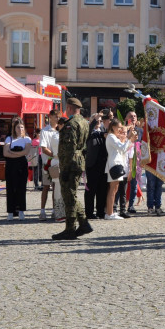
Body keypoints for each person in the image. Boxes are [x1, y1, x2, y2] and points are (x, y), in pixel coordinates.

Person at [53, 97, 90, 240]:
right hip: (79, 161)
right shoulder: (84, 122)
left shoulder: (71, 124)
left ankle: (71, 228)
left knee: (69, 195)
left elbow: (69, 148)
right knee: (71, 194)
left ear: (68, 108)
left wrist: (66, 169)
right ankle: (82, 223)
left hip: (70, 162)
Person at [84, 111, 111, 222]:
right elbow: (89, 131)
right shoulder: (89, 131)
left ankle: (100, 211)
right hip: (92, 165)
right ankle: (89, 212)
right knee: (91, 190)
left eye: (100, 121)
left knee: (102, 190)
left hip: (103, 164)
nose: (98, 122)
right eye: (96, 121)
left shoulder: (104, 131)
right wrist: (95, 119)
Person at [104, 120, 134, 220]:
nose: (120, 129)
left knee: (114, 189)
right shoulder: (111, 137)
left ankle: (110, 212)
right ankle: (109, 213)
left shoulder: (113, 137)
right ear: (113, 127)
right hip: (114, 164)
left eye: (121, 127)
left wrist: (128, 140)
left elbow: (124, 149)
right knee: (113, 190)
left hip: (116, 164)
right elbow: (122, 148)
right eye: (119, 127)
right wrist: (129, 139)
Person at [3, 117, 31, 221]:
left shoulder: (27, 139)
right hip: (10, 166)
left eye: (22, 127)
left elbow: (26, 152)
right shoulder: (9, 139)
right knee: (10, 188)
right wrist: (18, 154)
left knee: (21, 189)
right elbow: (5, 153)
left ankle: (21, 211)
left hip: (22, 166)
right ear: (14, 128)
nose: (20, 129)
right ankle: (10, 211)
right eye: (18, 127)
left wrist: (12, 153)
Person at [37, 112, 60, 220]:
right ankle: (42, 210)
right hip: (48, 163)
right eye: (56, 116)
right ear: (50, 117)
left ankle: (55, 210)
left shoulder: (60, 130)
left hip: (58, 163)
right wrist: (54, 155)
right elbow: (44, 148)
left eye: (58, 117)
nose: (57, 118)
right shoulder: (45, 131)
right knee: (46, 186)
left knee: (56, 187)